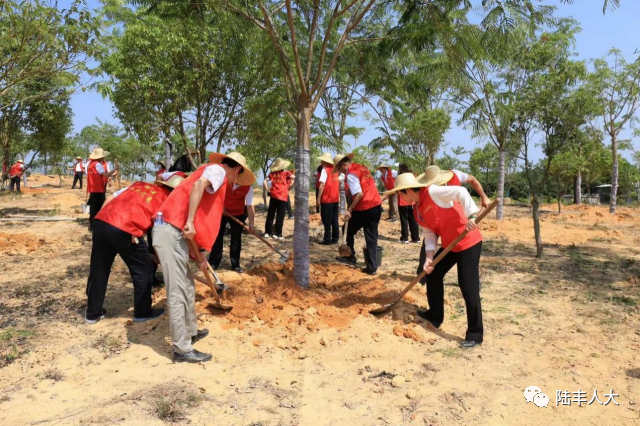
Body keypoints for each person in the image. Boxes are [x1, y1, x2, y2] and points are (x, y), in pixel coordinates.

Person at [152, 151, 253, 363]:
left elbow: (203, 217)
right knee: (178, 290)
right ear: (236, 169)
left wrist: (202, 254)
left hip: (175, 232)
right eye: (238, 176)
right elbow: (198, 187)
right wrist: (189, 221)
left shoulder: (217, 177)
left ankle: (190, 331)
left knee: (188, 284)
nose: (236, 181)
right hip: (172, 228)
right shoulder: (218, 171)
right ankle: (182, 349)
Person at [385, 172, 484, 348]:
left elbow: (461, 192)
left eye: (400, 193)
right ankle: (435, 315)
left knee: (468, 286)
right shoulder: (417, 210)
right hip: (450, 245)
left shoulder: (432, 192)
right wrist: (429, 258)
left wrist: (472, 216)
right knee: (433, 273)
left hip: (468, 241)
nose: (400, 197)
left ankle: (475, 334)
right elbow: (429, 234)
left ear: (408, 190)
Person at [85, 173, 186, 325]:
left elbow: (111, 198)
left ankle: (92, 314)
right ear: (175, 192)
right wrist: (157, 254)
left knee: (99, 267)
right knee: (144, 268)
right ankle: (143, 311)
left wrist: (103, 219)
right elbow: (158, 232)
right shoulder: (166, 202)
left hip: (101, 221)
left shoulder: (138, 185)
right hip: (125, 228)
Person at [416, 166, 490, 285]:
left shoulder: (455, 175)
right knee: (428, 247)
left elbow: (472, 180)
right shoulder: (426, 196)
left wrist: (483, 197)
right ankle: (425, 275)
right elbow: (429, 234)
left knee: (467, 275)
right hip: (437, 222)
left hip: (457, 221)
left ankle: (471, 282)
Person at [334, 153, 382, 275]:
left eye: (340, 169)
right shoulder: (361, 167)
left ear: (343, 165)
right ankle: (372, 267)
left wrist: (350, 210)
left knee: (347, 227)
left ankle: (350, 257)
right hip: (376, 205)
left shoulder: (350, 175)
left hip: (365, 208)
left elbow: (359, 194)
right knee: (371, 237)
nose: (341, 172)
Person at [208, 155, 257, 273]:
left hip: (237, 213)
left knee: (236, 239)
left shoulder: (248, 188)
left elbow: (250, 206)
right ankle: (214, 262)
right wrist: (220, 207)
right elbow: (213, 195)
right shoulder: (223, 181)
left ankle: (235, 264)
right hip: (221, 211)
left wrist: (251, 224)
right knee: (217, 236)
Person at [86, 148, 118, 231]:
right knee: (100, 208)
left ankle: (92, 226)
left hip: (92, 189)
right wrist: (114, 169)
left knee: (93, 208)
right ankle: (98, 227)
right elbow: (106, 175)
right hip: (99, 189)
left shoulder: (90, 164)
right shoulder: (98, 165)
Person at [264, 158, 293, 240]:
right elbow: (294, 177)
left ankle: (267, 232)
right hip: (283, 197)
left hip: (273, 196)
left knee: (270, 215)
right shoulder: (286, 173)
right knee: (280, 216)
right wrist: (290, 186)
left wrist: (268, 191)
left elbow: (264, 182)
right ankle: (278, 234)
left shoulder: (272, 174)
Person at [316, 152, 340, 245]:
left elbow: (322, 185)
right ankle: (335, 238)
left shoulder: (324, 170)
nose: (321, 162)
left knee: (326, 220)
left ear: (324, 161)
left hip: (326, 199)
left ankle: (327, 239)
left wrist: (318, 199)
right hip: (335, 198)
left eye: (322, 160)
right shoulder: (336, 170)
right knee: (334, 219)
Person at [396, 163, 420, 244]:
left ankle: (404, 238)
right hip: (412, 200)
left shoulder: (400, 177)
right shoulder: (412, 175)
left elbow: (397, 188)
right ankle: (416, 237)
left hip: (403, 202)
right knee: (413, 220)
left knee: (404, 220)